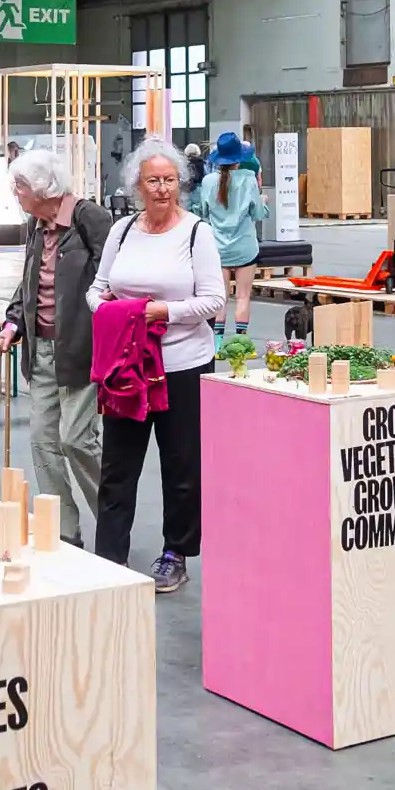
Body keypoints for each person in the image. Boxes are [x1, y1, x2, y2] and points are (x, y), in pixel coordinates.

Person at [88, 139, 225, 592]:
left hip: (183, 364)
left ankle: (175, 553)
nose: (163, 188)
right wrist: (111, 311)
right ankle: (109, 557)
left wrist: (160, 313)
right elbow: (98, 288)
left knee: (181, 464)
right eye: (153, 180)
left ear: (180, 183)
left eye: (169, 179)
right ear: (137, 186)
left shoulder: (196, 233)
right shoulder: (122, 231)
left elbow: (213, 301)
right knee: (118, 465)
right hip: (127, 364)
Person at [0, 146, 115, 546]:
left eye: (20, 186)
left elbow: (111, 281)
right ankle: (65, 531)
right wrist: (13, 321)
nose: (16, 193)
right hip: (41, 350)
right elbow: (29, 281)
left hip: (81, 349)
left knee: (77, 439)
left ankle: (115, 516)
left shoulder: (90, 218)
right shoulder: (35, 224)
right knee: (43, 442)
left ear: (43, 188)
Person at [194, 131, 269, 337]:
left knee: (221, 297)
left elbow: (203, 212)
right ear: (239, 157)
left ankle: (217, 344)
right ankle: (241, 344)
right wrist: (264, 202)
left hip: (218, 247)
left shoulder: (208, 181)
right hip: (245, 248)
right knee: (243, 296)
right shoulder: (248, 179)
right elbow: (258, 213)